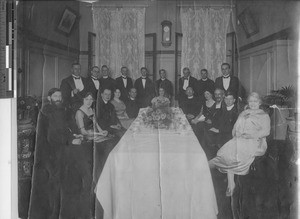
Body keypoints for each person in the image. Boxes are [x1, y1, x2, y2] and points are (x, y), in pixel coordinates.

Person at [209, 92, 270, 197]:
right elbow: (235, 128)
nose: (253, 103)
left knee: (236, 154)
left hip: (256, 141)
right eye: (250, 101)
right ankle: (230, 183)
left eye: (255, 101)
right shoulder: (243, 113)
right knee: (229, 152)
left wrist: (251, 135)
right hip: (241, 139)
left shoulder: (264, 115)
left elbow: (266, 131)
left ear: (259, 102)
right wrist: (239, 133)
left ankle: (230, 184)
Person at [29, 88, 76, 219]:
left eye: (60, 96)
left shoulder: (61, 110)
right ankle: (53, 214)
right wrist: (71, 140)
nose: (59, 98)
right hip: (49, 154)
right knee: (53, 185)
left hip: (56, 152)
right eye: (55, 96)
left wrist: (72, 135)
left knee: (58, 183)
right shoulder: (47, 112)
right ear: (49, 98)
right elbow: (53, 136)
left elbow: (63, 129)